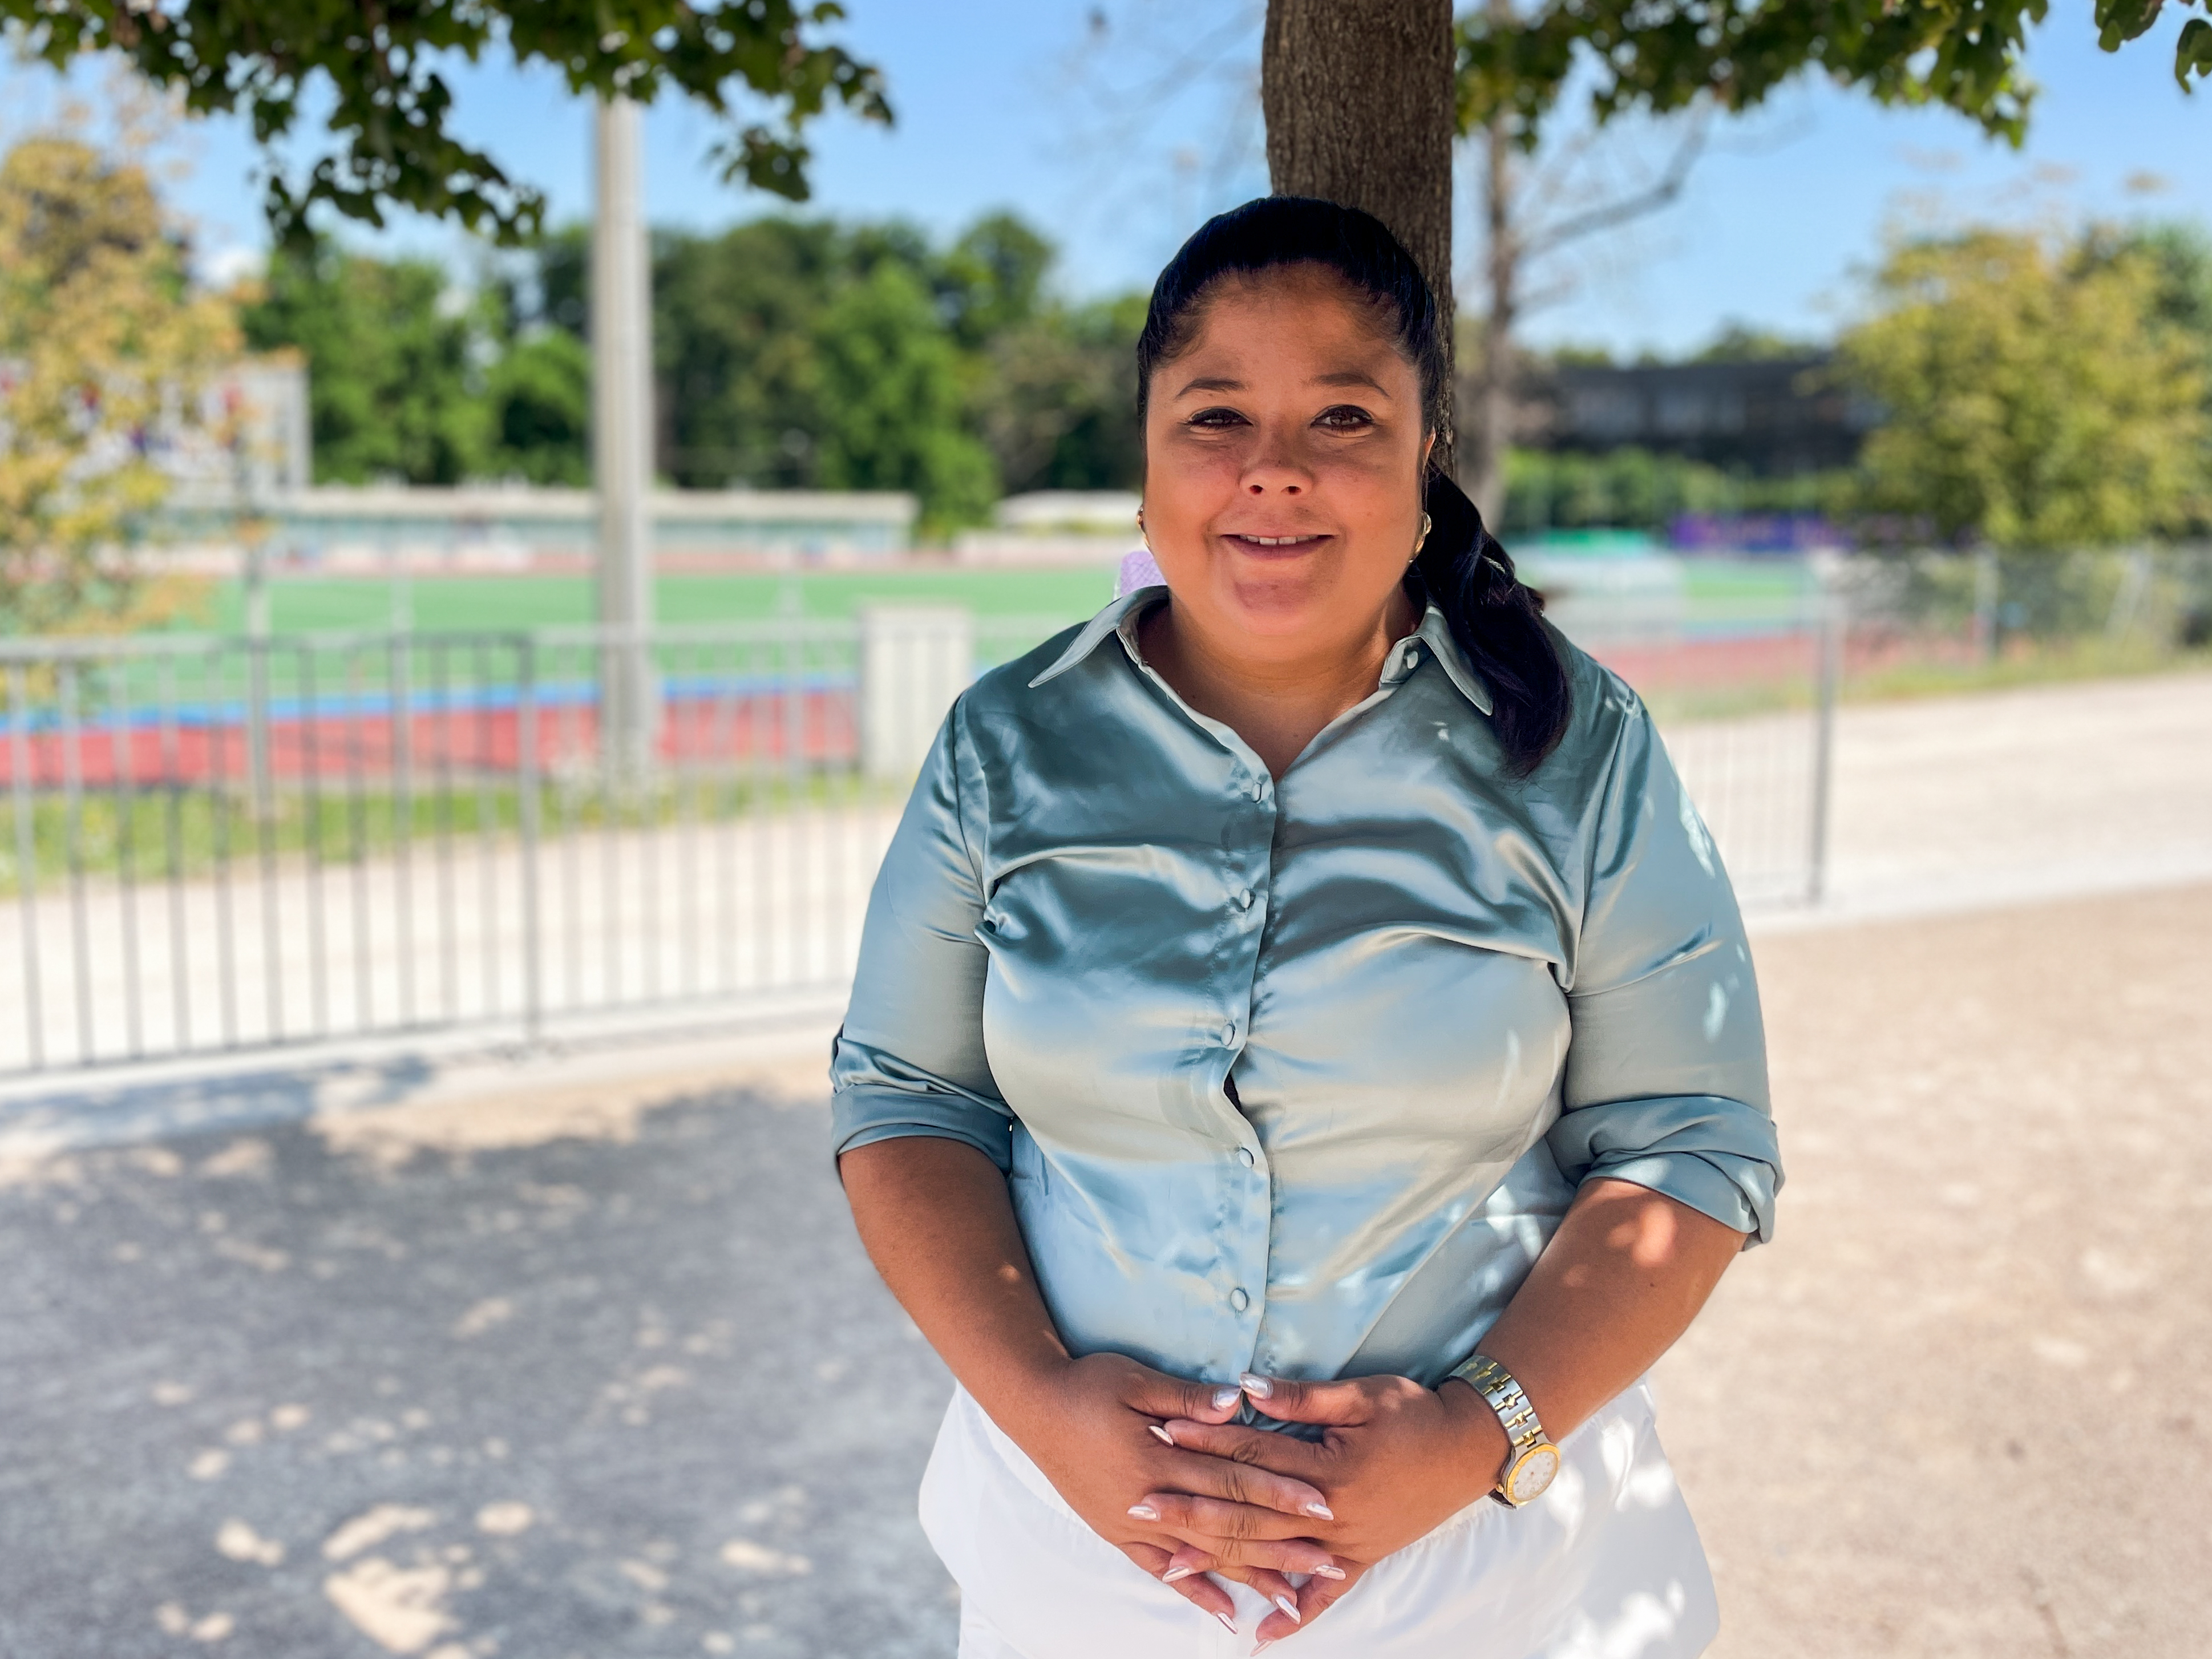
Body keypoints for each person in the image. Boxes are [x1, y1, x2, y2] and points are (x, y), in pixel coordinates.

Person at [830, 196, 1781, 1658]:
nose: (1272, 471)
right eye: (1216, 416)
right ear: (1143, 464)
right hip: (1077, 1566)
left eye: (1342, 415)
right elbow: (908, 1098)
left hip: (1474, 1578)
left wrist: (1477, 1433)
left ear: (1423, 458)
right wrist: (1044, 1408)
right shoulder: (1001, 749)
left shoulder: (1578, 751)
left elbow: (1689, 1144)